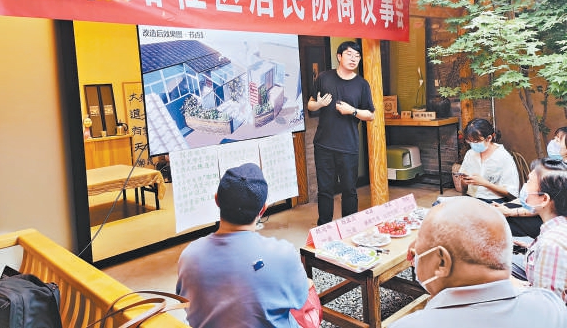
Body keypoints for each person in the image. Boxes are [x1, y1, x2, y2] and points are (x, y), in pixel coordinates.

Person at [389, 197, 566, 328]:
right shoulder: (550, 307)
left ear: (442, 262)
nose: (415, 252)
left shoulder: (409, 325)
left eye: (418, 245)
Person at [176, 163, 311, 327]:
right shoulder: (284, 254)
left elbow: (187, 305)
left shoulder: (189, 256)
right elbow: (300, 300)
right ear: (263, 210)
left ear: (217, 200)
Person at [307, 41, 375, 225]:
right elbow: (310, 104)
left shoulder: (362, 84)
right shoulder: (324, 78)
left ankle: (349, 227)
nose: (354, 59)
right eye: (349, 54)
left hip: (348, 146)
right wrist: (319, 104)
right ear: (339, 56)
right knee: (325, 190)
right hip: (323, 145)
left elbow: (370, 115)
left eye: (357, 56)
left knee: (349, 191)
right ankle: (324, 228)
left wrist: (352, 111)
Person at [510, 157, 567, 303]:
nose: (525, 187)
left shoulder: (551, 244)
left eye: (529, 181)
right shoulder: (557, 227)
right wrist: (533, 249)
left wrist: (515, 285)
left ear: (544, 199)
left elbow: (547, 304)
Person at [453, 118, 519, 203]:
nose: (473, 144)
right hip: (472, 198)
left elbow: (511, 193)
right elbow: (464, 189)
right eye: (470, 141)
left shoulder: (503, 157)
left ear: (489, 138)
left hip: (494, 201)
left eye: (476, 141)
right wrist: (464, 181)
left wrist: (485, 183)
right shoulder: (470, 154)